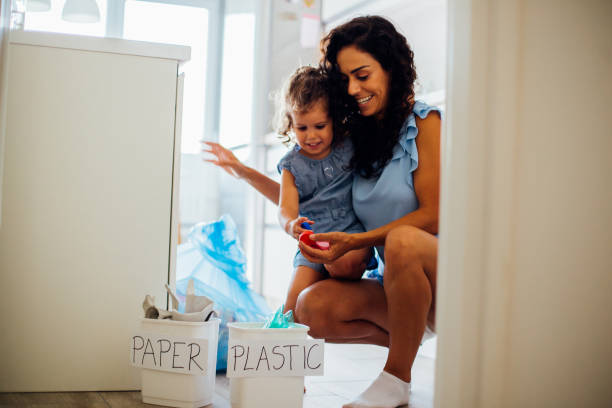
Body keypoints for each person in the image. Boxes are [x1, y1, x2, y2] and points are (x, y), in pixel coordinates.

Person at [204, 15, 440, 408]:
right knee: (308, 305)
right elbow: (305, 196)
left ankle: (396, 378)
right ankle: (398, 342)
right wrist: (243, 171)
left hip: (440, 276)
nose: (354, 88)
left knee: (401, 239)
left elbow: (432, 216)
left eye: (362, 75)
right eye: (345, 79)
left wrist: (357, 241)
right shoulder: (357, 135)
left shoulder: (424, 121)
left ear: (391, 68)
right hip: (396, 287)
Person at [272, 66, 373, 314]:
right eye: (302, 128)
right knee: (291, 309)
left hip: (350, 236)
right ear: (290, 124)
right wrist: (290, 224)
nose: (311, 136)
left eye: (319, 126)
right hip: (312, 243)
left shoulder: (347, 145)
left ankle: (333, 282)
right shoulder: (290, 165)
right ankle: (287, 348)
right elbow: (285, 208)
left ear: (333, 120)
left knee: (343, 263)